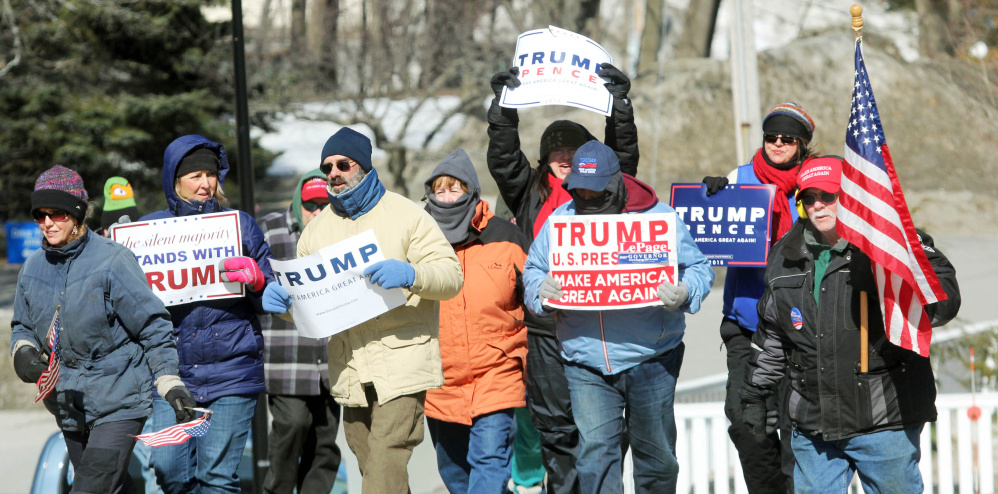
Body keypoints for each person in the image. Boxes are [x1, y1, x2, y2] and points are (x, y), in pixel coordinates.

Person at [262, 127, 463, 492]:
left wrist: (412, 273)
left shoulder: (408, 215)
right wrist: (285, 306)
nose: (333, 172)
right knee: (373, 466)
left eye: (342, 163)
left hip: (402, 365)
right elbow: (311, 308)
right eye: (327, 167)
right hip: (350, 371)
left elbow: (451, 276)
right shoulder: (315, 232)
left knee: (385, 463)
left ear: (364, 167)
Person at [742, 156, 961, 493]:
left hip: (884, 421)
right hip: (813, 427)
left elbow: (944, 301)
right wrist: (755, 395)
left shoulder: (894, 241)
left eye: (828, 196)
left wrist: (888, 280)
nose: (818, 205)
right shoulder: (783, 256)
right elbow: (773, 334)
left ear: (851, 195)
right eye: (808, 197)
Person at [523, 141, 715, 494]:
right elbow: (533, 270)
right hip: (585, 362)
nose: (585, 194)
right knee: (595, 459)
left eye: (594, 189)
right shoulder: (559, 222)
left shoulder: (657, 218)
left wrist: (686, 291)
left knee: (657, 458)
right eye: (578, 187)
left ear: (614, 183)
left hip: (652, 359)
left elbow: (700, 268)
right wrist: (541, 292)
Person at [488, 62, 637, 494]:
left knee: (604, 431)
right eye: (556, 151)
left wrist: (619, 107)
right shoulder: (527, 192)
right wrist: (503, 108)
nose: (565, 158)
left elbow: (622, 157)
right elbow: (502, 157)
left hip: (599, 324)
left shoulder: (609, 192)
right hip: (545, 329)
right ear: (544, 158)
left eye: (575, 151)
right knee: (555, 430)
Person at [11, 165, 193, 494]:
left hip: (119, 399)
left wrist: (169, 381)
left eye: (58, 214)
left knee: (90, 489)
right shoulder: (33, 267)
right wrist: (22, 352)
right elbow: (22, 324)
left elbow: (153, 325)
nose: (48, 223)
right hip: (66, 402)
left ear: (78, 214)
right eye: (41, 215)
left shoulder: (113, 261)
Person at [142, 135, 275, 493]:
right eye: (195, 176)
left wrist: (258, 280)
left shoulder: (240, 225)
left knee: (217, 478)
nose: (205, 184)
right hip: (172, 376)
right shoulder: (148, 231)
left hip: (232, 371)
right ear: (175, 179)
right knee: (169, 471)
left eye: (211, 175)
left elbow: (272, 299)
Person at [700, 102, 816, 493]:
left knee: (793, 427)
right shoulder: (741, 178)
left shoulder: (815, 186)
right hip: (747, 323)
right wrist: (711, 199)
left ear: (802, 144)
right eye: (771, 137)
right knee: (745, 422)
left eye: (787, 139)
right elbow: (708, 236)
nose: (778, 144)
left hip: (799, 327)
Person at [422, 148, 530, 493]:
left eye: (454, 188)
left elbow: (535, 300)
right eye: (439, 189)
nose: (446, 196)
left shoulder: (506, 237)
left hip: (497, 372)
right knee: (454, 474)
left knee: (489, 464)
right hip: (440, 379)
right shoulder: (417, 240)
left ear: (471, 191)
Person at [257, 170, 342, 494]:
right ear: (298, 203)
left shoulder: (343, 232)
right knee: (291, 426)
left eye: (325, 203)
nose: (317, 212)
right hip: (286, 356)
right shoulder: (270, 229)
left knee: (324, 440)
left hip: (331, 357)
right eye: (311, 204)